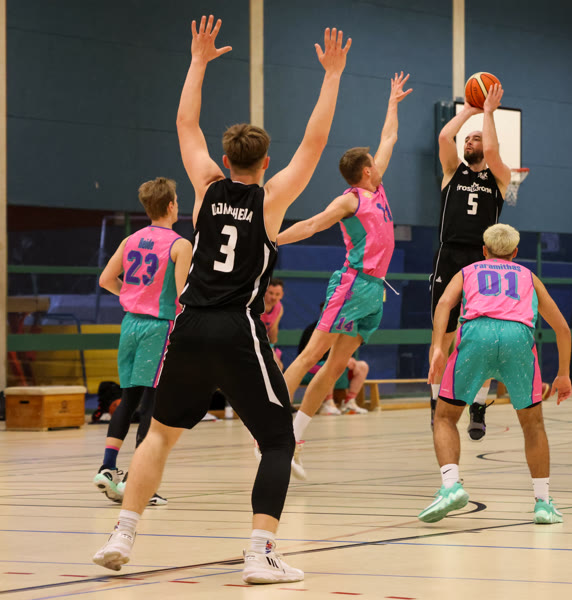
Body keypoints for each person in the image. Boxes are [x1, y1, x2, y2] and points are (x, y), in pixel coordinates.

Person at [93, 15, 351, 585]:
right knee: (278, 439)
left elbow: (186, 123)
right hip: (237, 328)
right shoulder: (272, 198)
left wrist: (198, 61)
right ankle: (261, 552)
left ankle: (121, 534)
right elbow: (314, 143)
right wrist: (331, 76)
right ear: (264, 162)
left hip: (187, 326)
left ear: (227, 159)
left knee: (159, 434)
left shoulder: (206, 188)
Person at [278, 72, 413, 478]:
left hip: (374, 291)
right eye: (374, 162)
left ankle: (294, 438)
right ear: (367, 170)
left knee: (336, 367)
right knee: (310, 355)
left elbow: (389, 138)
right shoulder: (349, 200)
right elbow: (311, 224)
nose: (379, 162)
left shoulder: (377, 188)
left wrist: (392, 102)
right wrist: (271, 240)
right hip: (353, 283)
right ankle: (268, 428)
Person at [419, 224, 572, 525]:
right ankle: (543, 503)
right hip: (518, 338)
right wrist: (563, 374)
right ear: (515, 252)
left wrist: (437, 347)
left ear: (484, 250)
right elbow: (563, 328)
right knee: (533, 425)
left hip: (477, 334)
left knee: (445, 417)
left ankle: (451, 485)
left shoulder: (468, 271)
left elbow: (444, 304)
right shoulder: (529, 276)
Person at [93, 177, 192, 506]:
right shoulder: (180, 245)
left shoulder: (130, 240)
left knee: (129, 397)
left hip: (130, 324)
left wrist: (133, 295)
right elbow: (183, 296)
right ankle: (138, 482)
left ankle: (107, 468)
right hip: (158, 327)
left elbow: (105, 279)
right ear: (171, 205)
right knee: (152, 404)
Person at [430, 85, 512, 440]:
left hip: (484, 260)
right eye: (467, 138)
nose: (469, 141)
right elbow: (444, 136)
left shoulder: (499, 178)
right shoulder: (452, 171)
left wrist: (488, 112)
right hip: (449, 256)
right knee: (443, 335)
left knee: (486, 337)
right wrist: (468, 110)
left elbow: (492, 150)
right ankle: (436, 403)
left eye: (475, 138)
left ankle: (477, 406)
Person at [297, 312, 369, 415]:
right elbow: (312, 355)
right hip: (314, 367)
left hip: (338, 364)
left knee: (362, 366)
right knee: (329, 365)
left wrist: (349, 359)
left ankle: (349, 402)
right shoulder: (313, 330)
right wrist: (340, 359)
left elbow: (347, 348)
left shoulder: (343, 329)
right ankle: (328, 403)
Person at [261, 278, 285, 369]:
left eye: (277, 294)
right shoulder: (257, 305)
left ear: (282, 295)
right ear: (265, 292)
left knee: (278, 366)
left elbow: (273, 333)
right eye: (271, 293)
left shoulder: (279, 308)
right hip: (251, 341)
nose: (274, 297)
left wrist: (271, 347)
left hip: (265, 343)